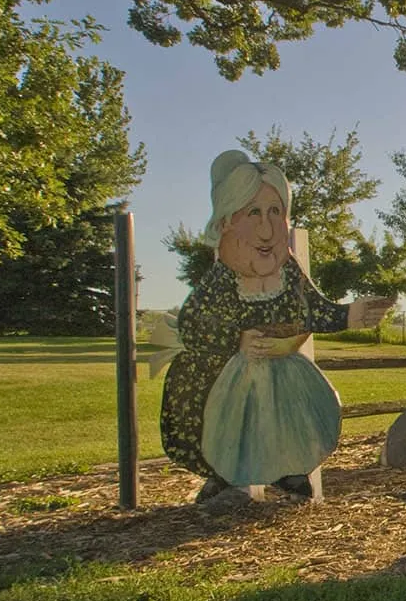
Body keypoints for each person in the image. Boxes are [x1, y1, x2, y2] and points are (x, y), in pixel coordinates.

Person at [159, 150, 393, 502]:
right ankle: (227, 477)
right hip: (233, 377)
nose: (267, 229)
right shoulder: (222, 280)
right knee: (230, 421)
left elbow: (315, 310)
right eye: (253, 212)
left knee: (292, 413)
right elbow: (193, 322)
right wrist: (235, 339)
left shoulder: (288, 275)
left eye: (275, 212)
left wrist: (350, 315)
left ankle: (289, 471)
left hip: (282, 371)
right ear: (227, 222)